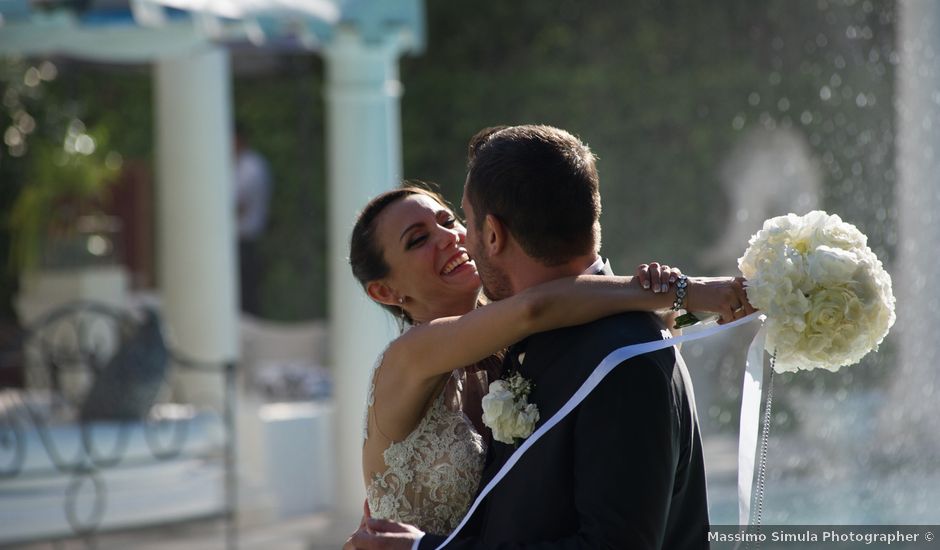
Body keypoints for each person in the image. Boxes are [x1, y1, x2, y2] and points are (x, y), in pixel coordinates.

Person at [347, 127, 753, 549]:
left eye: (451, 220)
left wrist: (665, 309)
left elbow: (558, 310)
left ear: (493, 234)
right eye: (418, 240)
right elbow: (534, 307)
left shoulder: (520, 346)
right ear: (384, 292)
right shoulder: (411, 355)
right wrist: (689, 290)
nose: (451, 237)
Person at [234, 123, 272, 316]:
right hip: (235, 243)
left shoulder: (252, 167)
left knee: (247, 298)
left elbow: (239, 206)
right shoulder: (233, 165)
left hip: (246, 242)